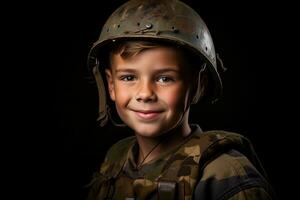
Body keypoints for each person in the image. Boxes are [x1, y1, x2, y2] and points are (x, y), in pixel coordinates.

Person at [85, 0, 276, 199]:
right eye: (129, 78)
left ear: (197, 85)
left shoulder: (223, 173)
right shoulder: (115, 161)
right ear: (111, 85)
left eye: (164, 78)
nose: (145, 93)